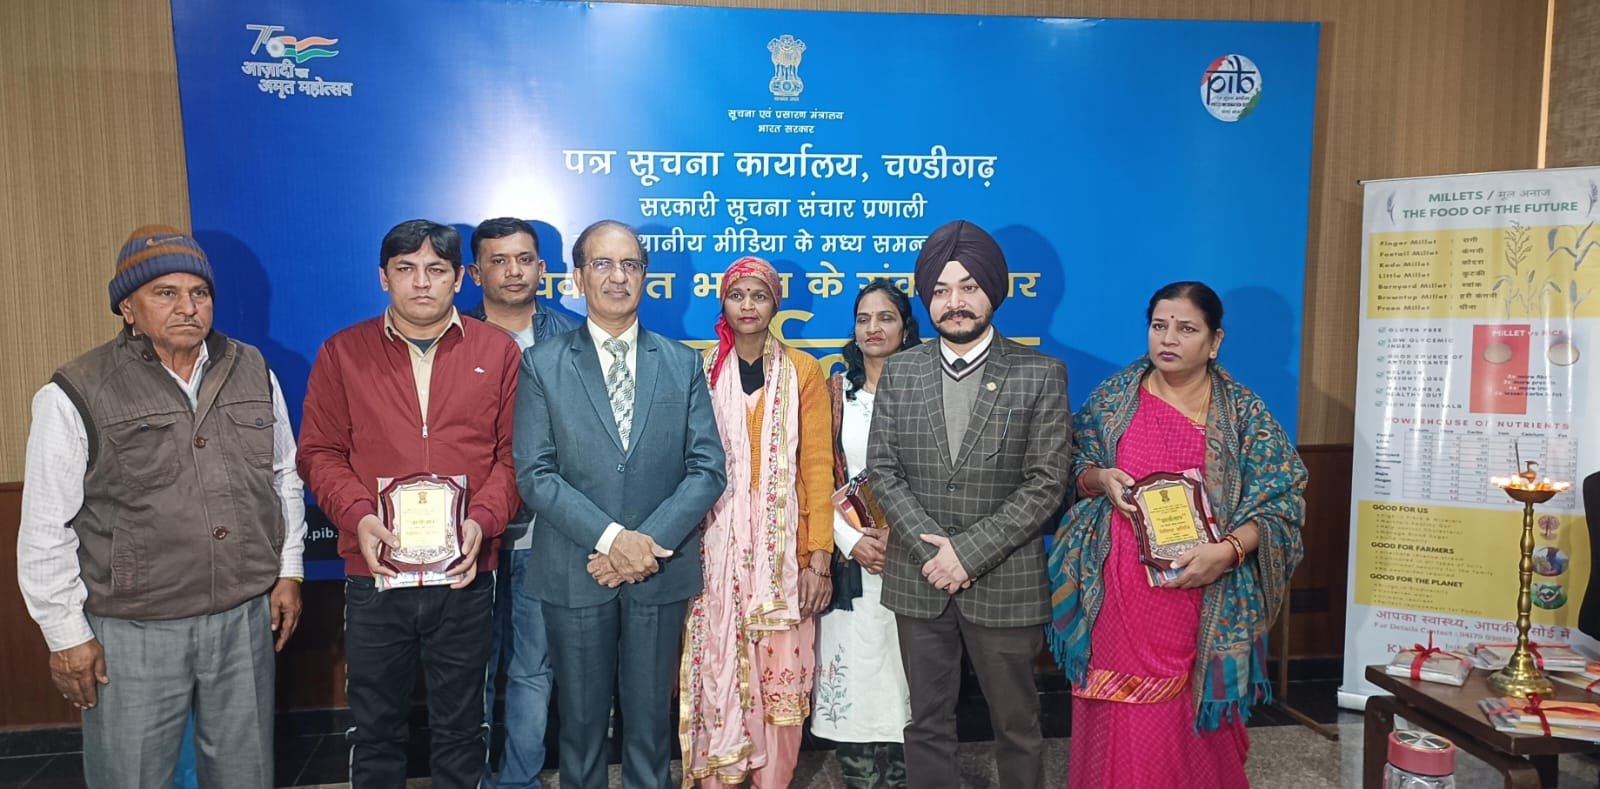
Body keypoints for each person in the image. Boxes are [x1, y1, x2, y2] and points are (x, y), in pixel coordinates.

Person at [17, 225, 306, 788]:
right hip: (133, 630)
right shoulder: (76, 390)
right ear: (127, 307)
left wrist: (289, 570)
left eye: (199, 292)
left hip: (242, 619)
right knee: (131, 775)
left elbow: (283, 477)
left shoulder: (253, 368)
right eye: (165, 293)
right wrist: (65, 634)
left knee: (246, 774)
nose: (187, 307)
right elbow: (46, 526)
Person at [1047, 281, 1306, 788]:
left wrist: (1228, 552)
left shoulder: (1244, 416)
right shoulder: (1114, 400)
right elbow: (1073, 466)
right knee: (1120, 714)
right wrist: (1099, 479)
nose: (1168, 339)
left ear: (1215, 341)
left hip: (1203, 594)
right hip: (1117, 593)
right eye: (1159, 326)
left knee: (1185, 721)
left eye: (1186, 329)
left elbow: (1283, 504)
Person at [298, 219, 522, 789]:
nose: (421, 282)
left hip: (466, 570)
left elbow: (515, 456)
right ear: (383, 277)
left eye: (436, 270)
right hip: (374, 570)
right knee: (375, 729)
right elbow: (319, 452)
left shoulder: (497, 351)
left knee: (463, 726)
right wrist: (358, 516)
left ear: (459, 279)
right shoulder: (343, 352)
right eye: (406, 268)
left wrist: (483, 521)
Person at [514, 220, 725, 789]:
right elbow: (536, 474)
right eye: (602, 264)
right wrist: (613, 541)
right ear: (578, 277)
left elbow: (707, 469)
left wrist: (643, 546)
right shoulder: (542, 364)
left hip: (659, 569)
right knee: (580, 727)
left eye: (630, 264)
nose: (617, 277)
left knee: (651, 724)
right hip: (576, 568)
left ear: (645, 277)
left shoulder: (681, 363)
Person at [866, 220, 1070, 789]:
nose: (955, 302)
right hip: (919, 578)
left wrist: (967, 554)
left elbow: (1046, 482)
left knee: (1017, 725)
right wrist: (935, 551)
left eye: (969, 287)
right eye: (941, 290)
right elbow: (883, 469)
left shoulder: (1039, 374)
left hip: (1004, 581)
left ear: (993, 292)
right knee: (926, 722)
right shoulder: (901, 370)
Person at [679, 256, 834, 787]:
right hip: (712, 555)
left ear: (775, 304)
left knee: (781, 686)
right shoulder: (698, 371)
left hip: (783, 561)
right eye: (737, 294)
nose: (748, 305)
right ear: (723, 302)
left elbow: (816, 467)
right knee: (715, 670)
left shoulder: (802, 371)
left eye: (759, 295)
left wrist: (818, 558)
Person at [464, 216, 579, 788]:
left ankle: (519, 781)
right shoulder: (453, 336)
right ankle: (473, 778)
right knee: (472, 670)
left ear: (542, 267)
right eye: (499, 260)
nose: (514, 271)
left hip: (546, 534)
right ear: (474, 272)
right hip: (468, 536)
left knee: (534, 668)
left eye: (524, 259)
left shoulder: (573, 337)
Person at [812, 280, 918, 788]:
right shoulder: (833, 395)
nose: (873, 328)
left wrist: (906, 536)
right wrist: (850, 540)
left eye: (885, 317)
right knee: (853, 687)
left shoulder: (929, 392)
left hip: (914, 561)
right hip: (853, 563)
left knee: (907, 689)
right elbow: (812, 477)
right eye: (863, 318)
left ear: (906, 328)